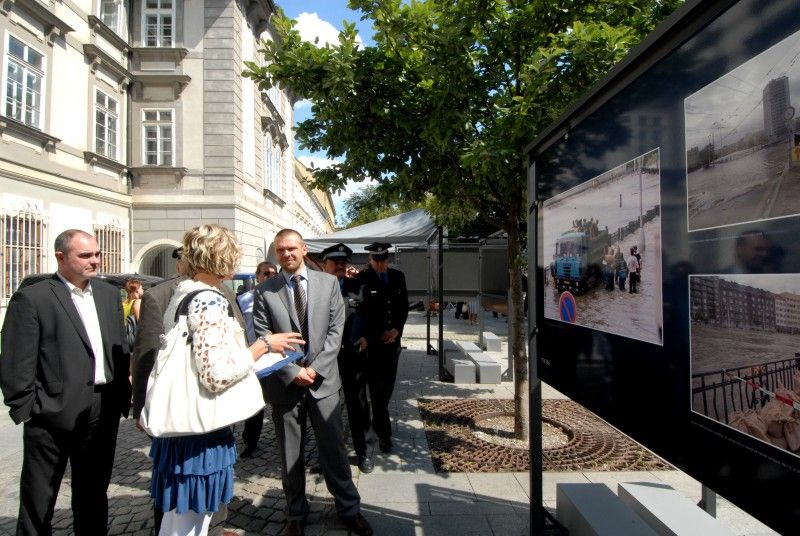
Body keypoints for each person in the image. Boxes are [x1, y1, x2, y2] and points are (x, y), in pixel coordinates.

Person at [146, 224, 296, 536]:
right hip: (200, 431)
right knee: (190, 522)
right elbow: (215, 375)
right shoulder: (209, 300)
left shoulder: (184, 293)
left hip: (182, 427)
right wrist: (261, 347)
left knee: (178, 518)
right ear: (223, 259)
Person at [0, 229, 131, 535]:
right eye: (85, 255)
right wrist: (29, 407)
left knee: (93, 493)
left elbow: (120, 348)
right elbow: (16, 361)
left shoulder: (109, 294)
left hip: (103, 408)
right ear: (60, 257)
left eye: (97, 254)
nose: (95, 261)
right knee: (39, 497)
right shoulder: (34, 297)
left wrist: (120, 397)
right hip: (51, 413)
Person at [253, 229, 373, 536]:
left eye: (291, 248)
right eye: (280, 251)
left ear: (304, 249)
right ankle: (295, 514)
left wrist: (315, 369)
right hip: (286, 384)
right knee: (290, 453)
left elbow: (336, 330)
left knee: (333, 449)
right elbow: (263, 337)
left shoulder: (329, 283)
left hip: (324, 383)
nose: (286, 255)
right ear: (275, 254)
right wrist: (293, 372)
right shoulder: (265, 291)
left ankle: (349, 508)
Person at [131, 246, 246, 534]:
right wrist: (259, 350)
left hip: (202, 416)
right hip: (192, 419)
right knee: (187, 510)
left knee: (190, 512)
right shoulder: (205, 298)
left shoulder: (192, 292)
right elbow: (148, 357)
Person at [320, 243, 373, 473]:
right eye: (335, 262)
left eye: (343, 262)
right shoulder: (314, 288)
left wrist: (368, 337)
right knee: (324, 409)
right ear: (325, 265)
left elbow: (373, 313)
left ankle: (364, 454)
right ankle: (328, 458)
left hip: (353, 354)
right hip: (324, 358)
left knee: (358, 406)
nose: (340, 266)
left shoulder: (358, 285)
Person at [355, 242, 409, 454]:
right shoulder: (362, 279)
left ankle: (377, 419)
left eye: (383, 260)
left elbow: (403, 306)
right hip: (372, 345)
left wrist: (396, 330)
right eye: (376, 260)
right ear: (370, 260)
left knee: (386, 390)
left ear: (388, 259)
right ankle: (384, 435)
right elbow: (361, 313)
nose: (380, 264)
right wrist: (377, 334)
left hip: (392, 344)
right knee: (377, 391)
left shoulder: (397, 277)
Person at [238, 260, 278, 457]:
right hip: (254, 355)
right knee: (254, 401)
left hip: (277, 356)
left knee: (280, 400)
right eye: (265, 274)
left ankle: (286, 440)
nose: (269, 277)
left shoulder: (281, 298)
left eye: (273, 273)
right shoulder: (243, 299)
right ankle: (250, 442)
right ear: (257, 276)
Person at [123, 279, 143, 347]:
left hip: (124, 335)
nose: (143, 290)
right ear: (137, 290)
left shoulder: (123, 303)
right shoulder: (138, 302)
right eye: (141, 288)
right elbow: (139, 321)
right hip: (133, 336)